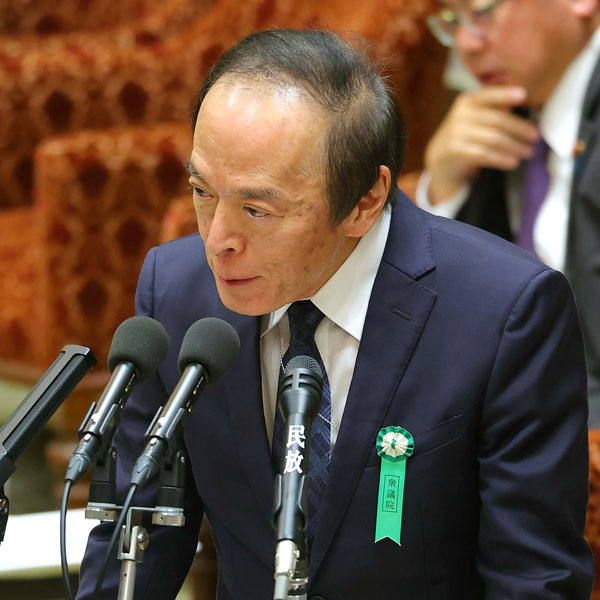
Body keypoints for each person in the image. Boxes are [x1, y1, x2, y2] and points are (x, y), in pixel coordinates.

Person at [77, 29, 593, 599]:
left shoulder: (504, 313)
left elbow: (533, 579)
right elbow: (139, 535)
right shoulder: (177, 295)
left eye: (256, 208)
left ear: (365, 201)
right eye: (203, 191)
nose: (218, 240)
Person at [419, 0, 600, 424]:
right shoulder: (500, 118)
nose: (466, 44)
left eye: (481, 12)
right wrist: (443, 185)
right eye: (453, 20)